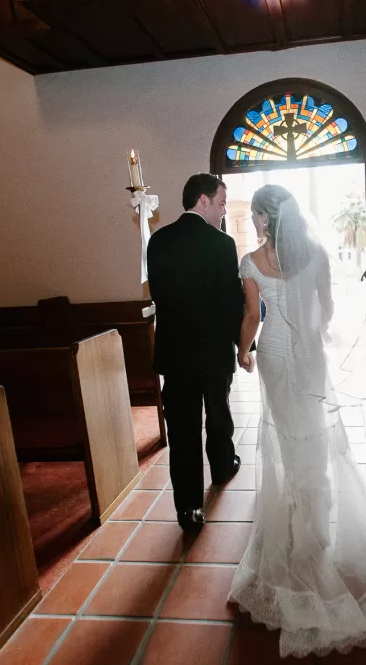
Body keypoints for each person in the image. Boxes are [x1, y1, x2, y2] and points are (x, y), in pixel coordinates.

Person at [228, 184, 366, 658]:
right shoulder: (317, 256)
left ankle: (299, 528)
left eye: (255, 216)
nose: (253, 223)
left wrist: (243, 352)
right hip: (310, 357)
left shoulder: (251, 262)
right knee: (313, 436)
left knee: (286, 439)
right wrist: (311, 331)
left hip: (272, 354)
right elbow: (327, 310)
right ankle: (317, 522)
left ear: (267, 220)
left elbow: (254, 315)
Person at [146, 173, 244, 532]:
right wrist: (243, 345)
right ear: (202, 201)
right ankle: (221, 467)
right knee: (218, 415)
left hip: (175, 355)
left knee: (183, 431)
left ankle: (188, 509)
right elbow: (232, 303)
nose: (222, 211)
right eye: (220, 203)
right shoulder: (222, 244)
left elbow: (158, 296)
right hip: (214, 352)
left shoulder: (158, 242)